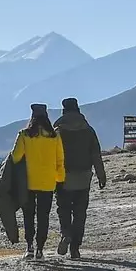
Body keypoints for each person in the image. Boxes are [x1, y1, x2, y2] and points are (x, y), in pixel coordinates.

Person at [4, 103, 65, 260]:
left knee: (28, 215)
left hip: (28, 182)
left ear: (32, 117)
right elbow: (60, 159)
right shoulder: (54, 136)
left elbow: (16, 156)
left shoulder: (24, 134)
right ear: (46, 117)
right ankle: (40, 250)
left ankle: (29, 247)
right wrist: (60, 179)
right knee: (43, 216)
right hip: (48, 182)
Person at [53, 97, 106, 258]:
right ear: (78, 110)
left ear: (63, 111)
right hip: (84, 178)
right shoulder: (88, 130)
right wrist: (101, 175)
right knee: (80, 213)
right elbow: (96, 155)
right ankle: (75, 248)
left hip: (62, 178)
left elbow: (51, 156)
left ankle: (66, 234)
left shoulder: (57, 131)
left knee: (63, 209)